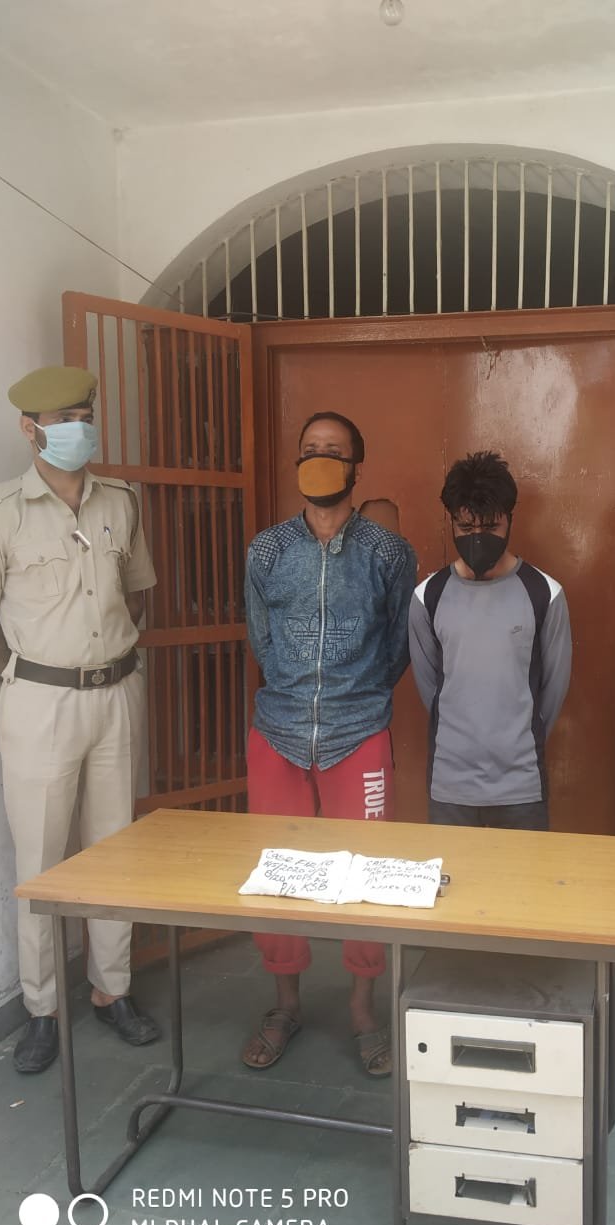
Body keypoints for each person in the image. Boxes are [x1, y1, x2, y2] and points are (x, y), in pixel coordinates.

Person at [0, 365, 160, 1074]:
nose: (78, 429)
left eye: (84, 416)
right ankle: (43, 1009)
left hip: (116, 693)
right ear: (30, 429)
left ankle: (112, 990)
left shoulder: (121, 501)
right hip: (39, 703)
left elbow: (135, 594)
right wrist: (28, 678)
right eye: (62, 420)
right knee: (42, 861)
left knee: (115, 852)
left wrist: (105, 660)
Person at [242, 411, 416, 1076]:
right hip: (279, 734)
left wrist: (355, 695)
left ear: (355, 468)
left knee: (367, 877)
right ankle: (284, 1003)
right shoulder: (267, 551)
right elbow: (262, 640)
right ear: (297, 462)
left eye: (334, 451)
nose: (320, 458)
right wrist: (296, 692)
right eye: (310, 449)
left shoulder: (388, 553)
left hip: (358, 733)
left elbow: (398, 644)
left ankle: (363, 1009)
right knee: (277, 873)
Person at [408, 450, 572, 831]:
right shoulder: (427, 596)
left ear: (510, 520)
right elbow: (431, 688)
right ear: (452, 521)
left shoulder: (544, 594)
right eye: (466, 528)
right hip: (450, 788)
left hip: (521, 789)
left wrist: (517, 740)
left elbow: (554, 689)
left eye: (491, 527)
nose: (477, 538)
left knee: (524, 874)